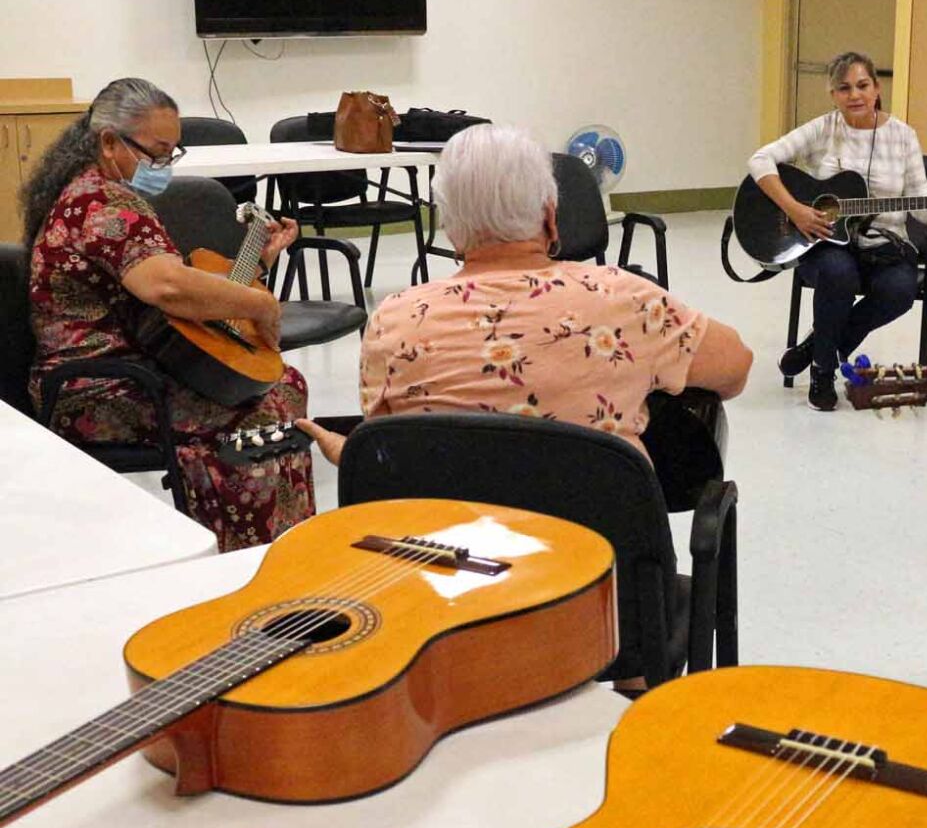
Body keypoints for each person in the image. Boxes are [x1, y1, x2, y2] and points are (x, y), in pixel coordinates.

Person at [301, 123, 751, 461]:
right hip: (603, 570)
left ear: (452, 230)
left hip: (453, 571)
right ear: (551, 217)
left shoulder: (394, 321)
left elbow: (388, 455)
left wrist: (344, 452)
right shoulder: (625, 300)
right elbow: (735, 368)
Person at [22, 77, 312, 552]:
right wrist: (261, 303)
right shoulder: (99, 205)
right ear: (109, 142)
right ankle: (245, 558)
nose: (162, 167)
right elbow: (169, 286)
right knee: (265, 406)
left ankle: (278, 548)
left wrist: (258, 261)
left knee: (283, 387)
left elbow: (174, 298)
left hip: (140, 369)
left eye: (171, 154)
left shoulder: (101, 192)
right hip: (95, 389)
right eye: (156, 152)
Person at [746, 51, 927, 411]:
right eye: (844, 88)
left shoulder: (902, 136)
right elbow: (759, 160)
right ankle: (823, 371)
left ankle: (819, 346)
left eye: (862, 85)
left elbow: (923, 204)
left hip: (886, 245)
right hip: (825, 242)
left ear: (877, 88)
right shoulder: (824, 128)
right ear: (833, 95)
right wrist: (797, 211)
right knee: (839, 273)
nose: (855, 95)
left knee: (899, 290)